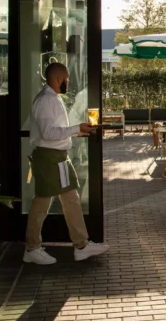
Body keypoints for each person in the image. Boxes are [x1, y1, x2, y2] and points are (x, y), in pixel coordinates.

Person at [23, 62, 110, 265]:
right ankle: (32, 248)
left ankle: (81, 246)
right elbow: (48, 133)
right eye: (67, 78)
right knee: (42, 203)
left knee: (71, 199)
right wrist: (77, 128)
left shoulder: (53, 98)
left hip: (58, 156)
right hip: (49, 158)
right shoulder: (46, 100)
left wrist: (79, 131)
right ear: (59, 78)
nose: (68, 82)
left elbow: (56, 131)